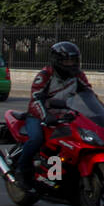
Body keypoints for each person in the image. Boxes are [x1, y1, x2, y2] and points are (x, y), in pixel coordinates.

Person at [19, 41, 92, 194]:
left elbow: (89, 95)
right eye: (66, 60)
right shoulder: (45, 75)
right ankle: (23, 172)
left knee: (74, 142)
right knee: (36, 139)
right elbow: (35, 97)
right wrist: (46, 116)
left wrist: (101, 113)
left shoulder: (78, 75)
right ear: (57, 61)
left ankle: (61, 176)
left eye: (73, 60)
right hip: (38, 115)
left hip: (65, 115)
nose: (70, 64)